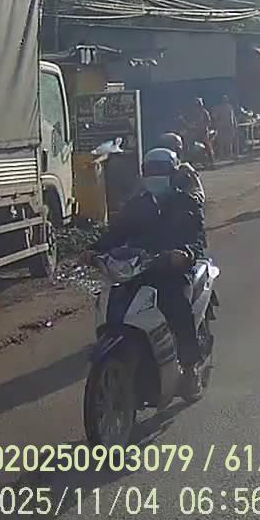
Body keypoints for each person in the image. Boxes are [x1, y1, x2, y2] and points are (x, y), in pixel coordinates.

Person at [86, 147, 207, 395]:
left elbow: (197, 240)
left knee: (177, 306)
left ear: (173, 174)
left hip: (172, 270)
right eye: (151, 171)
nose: (156, 176)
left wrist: (184, 254)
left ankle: (190, 368)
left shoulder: (186, 203)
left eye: (161, 171)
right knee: (114, 301)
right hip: (138, 269)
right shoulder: (137, 205)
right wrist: (93, 250)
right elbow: (116, 234)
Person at [158, 132, 205, 204]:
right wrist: (192, 173)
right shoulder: (182, 171)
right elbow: (198, 200)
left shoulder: (148, 168)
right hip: (175, 206)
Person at [210, 95, 237, 160]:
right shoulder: (218, 108)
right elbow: (214, 116)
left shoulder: (229, 107)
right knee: (221, 142)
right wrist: (217, 123)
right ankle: (222, 155)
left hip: (229, 126)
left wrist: (235, 124)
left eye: (226, 99)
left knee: (229, 141)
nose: (225, 100)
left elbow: (233, 116)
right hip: (222, 126)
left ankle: (229, 154)